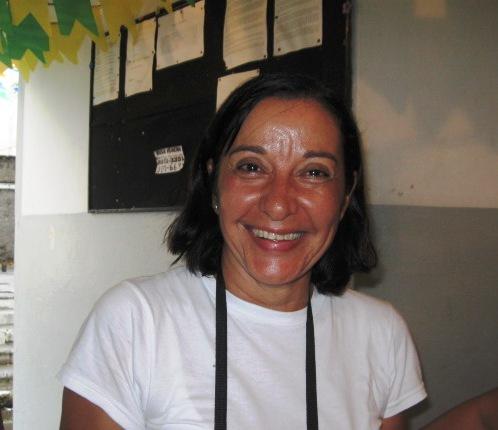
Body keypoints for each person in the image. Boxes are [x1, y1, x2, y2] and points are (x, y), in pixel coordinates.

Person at [59, 73, 426, 429]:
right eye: (252, 167)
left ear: (345, 196)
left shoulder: (381, 334)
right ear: (214, 182)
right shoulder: (136, 322)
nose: (278, 204)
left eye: (314, 172)